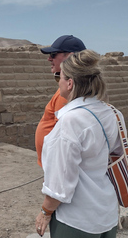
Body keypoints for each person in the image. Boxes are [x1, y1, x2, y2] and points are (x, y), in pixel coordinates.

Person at [35, 49, 122, 238]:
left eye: (60, 77)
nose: (58, 81)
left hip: (76, 220)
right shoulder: (112, 113)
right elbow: (116, 155)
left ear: (70, 83)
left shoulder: (71, 122)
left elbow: (60, 181)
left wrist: (45, 212)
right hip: (106, 211)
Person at [34, 35, 86, 167]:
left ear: (70, 56)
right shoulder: (72, 87)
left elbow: (64, 137)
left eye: (53, 54)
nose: (49, 58)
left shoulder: (69, 91)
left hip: (58, 166)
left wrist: (55, 172)